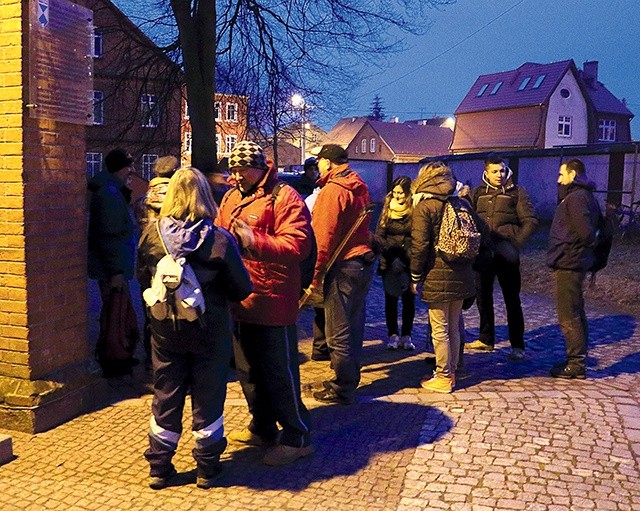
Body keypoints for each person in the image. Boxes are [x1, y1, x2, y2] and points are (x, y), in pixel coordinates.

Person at [137, 166, 252, 489]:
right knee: (208, 395)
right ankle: (207, 466)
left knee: (166, 392)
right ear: (205, 197)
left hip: (164, 330)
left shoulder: (151, 235)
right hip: (209, 330)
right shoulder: (218, 238)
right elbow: (242, 289)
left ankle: (159, 467)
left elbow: (142, 279)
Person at [216, 140, 315, 466]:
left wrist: (254, 240)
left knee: (279, 373)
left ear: (259, 167)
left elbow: (298, 245)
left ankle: (296, 436)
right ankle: (262, 426)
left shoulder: (284, 197)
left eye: (240, 169)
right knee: (248, 372)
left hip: (273, 302)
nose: (235, 176)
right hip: (239, 301)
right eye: (232, 170)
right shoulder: (231, 197)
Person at [309, 144, 375, 405]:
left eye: (319, 161)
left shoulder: (333, 191)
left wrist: (314, 276)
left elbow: (322, 237)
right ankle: (349, 378)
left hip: (342, 264)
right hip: (362, 262)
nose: (318, 166)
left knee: (337, 329)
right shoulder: (359, 186)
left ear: (328, 162)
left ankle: (342, 386)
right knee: (354, 324)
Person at [410, 161, 476, 394]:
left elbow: (420, 246)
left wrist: (415, 276)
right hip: (462, 272)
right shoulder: (461, 203)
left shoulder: (425, 207)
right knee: (455, 326)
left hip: (436, 274)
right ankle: (453, 369)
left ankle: (444, 376)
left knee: (440, 329)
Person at [466, 155, 538, 360]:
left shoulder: (517, 192)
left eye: (503, 171)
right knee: (483, 297)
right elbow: (468, 217)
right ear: (486, 172)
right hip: (483, 254)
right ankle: (486, 339)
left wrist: (514, 245)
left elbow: (531, 221)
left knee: (512, 300)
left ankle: (518, 345)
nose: (500, 175)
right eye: (495, 171)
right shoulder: (477, 193)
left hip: (507, 256)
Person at [88, 148, 139, 375]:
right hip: (112, 269)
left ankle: (116, 355)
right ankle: (113, 358)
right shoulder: (109, 194)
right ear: (121, 167)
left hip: (112, 266)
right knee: (114, 313)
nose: (133, 170)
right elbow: (109, 235)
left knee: (115, 311)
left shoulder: (111, 191)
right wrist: (116, 271)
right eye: (129, 165)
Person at [547, 158, 599, 379]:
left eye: (562, 175)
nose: (559, 179)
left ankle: (576, 363)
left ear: (572, 174)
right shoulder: (582, 196)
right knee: (576, 311)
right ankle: (577, 358)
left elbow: (585, 233)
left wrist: (568, 250)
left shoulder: (577, 198)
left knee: (568, 314)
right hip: (573, 261)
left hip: (570, 263)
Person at [134, 155, 179, 368]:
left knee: (151, 310)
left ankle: (152, 362)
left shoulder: (142, 202)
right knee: (177, 314)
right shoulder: (180, 201)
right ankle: (174, 363)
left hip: (147, 264)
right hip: (174, 264)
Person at [375, 176, 416, 350]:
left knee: (409, 301)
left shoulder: (414, 210)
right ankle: (392, 334)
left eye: (401, 193)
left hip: (407, 261)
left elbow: (415, 238)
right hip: (389, 262)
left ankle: (407, 335)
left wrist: (405, 259)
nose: (397, 196)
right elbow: (379, 236)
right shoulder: (387, 210)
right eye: (395, 192)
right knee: (390, 300)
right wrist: (392, 259)